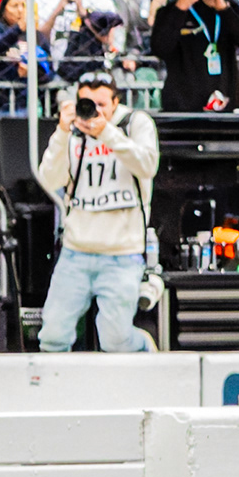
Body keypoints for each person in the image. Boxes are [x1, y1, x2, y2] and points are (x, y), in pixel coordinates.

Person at [34, 79, 160, 352]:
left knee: (116, 341)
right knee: (52, 336)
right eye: (88, 104)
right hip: (75, 252)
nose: (95, 111)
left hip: (122, 253)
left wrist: (108, 133)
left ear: (116, 102)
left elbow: (148, 166)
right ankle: (59, 392)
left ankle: (143, 348)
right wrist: (61, 132)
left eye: (102, 104)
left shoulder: (135, 123)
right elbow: (48, 179)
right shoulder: (73, 133)